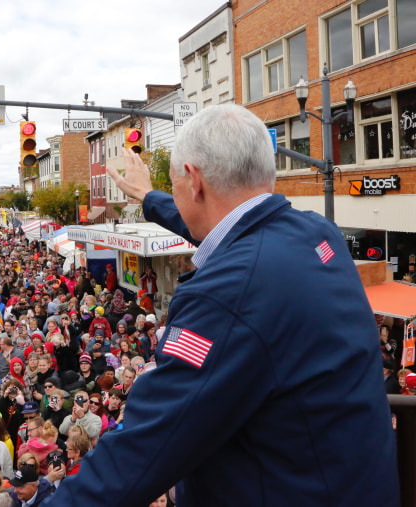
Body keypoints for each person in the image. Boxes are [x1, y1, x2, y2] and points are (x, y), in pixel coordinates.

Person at [48, 104, 399, 506]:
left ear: (194, 182)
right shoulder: (317, 233)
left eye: (175, 182)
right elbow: (227, 229)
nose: (176, 194)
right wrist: (149, 197)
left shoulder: (226, 294)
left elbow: (140, 454)